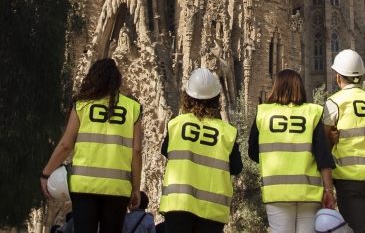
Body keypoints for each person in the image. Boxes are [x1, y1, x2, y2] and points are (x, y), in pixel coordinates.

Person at [41, 58, 143, 233]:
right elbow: (136, 151)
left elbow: (65, 144)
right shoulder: (133, 107)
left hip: (84, 186)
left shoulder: (81, 105)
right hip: (117, 187)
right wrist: (135, 187)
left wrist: (46, 173)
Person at [248, 69, 336, 233]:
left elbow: (252, 151)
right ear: (300, 87)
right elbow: (323, 156)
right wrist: (329, 190)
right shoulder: (313, 112)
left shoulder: (263, 113)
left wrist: (272, 160)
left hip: (276, 193)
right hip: (309, 194)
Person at [160, 68, 243, 233]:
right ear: (217, 99)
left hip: (178, 204)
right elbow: (236, 168)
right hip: (212, 210)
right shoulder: (227, 132)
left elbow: (165, 151)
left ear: (188, 97)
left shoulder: (176, 124)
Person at [323, 50, 365, 233]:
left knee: (356, 229)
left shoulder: (335, 102)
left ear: (338, 77)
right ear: (361, 76)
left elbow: (324, 141)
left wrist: (333, 139)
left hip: (349, 178)